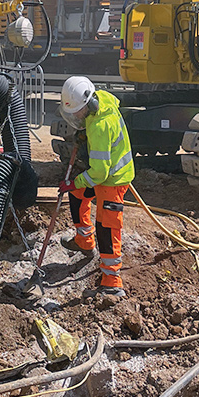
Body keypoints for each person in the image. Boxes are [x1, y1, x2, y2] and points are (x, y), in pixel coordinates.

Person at [57, 76, 135, 298]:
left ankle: (112, 281)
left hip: (113, 181)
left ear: (88, 105)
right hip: (105, 176)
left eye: (77, 112)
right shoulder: (102, 101)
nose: (76, 117)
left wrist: (74, 181)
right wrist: (83, 131)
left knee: (107, 228)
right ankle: (84, 241)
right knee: (77, 196)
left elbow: (99, 173)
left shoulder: (100, 126)